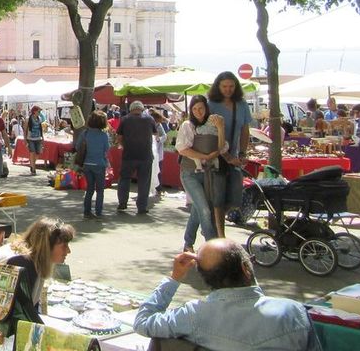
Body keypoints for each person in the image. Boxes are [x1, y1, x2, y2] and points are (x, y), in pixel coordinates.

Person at [134, 238, 321, 351]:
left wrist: (175, 278)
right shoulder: (294, 312)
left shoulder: (193, 315)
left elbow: (143, 322)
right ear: (246, 269)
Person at [176, 96, 227, 249]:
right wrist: (204, 156)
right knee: (204, 209)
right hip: (190, 172)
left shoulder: (210, 125)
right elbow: (182, 149)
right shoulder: (187, 125)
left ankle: (188, 243)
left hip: (208, 173)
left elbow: (222, 147)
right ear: (191, 110)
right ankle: (212, 248)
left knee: (199, 210)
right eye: (195, 109)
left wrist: (220, 128)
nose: (198, 112)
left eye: (201, 108)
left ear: (206, 109)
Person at [206, 72, 254, 236]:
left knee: (234, 198)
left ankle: (211, 222)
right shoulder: (211, 104)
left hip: (234, 156)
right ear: (218, 86)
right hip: (215, 157)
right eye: (224, 86)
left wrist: (242, 152)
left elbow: (245, 130)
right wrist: (227, 156)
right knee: (218, 199)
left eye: (231, 86)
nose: (228, 89)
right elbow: (208, 133)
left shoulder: (241, 104)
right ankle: (220, 234)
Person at [5, 218, 75, 324]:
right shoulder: (24, 262)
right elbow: (22, 311)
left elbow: (32, 307)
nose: (68, 251)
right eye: (64, 246)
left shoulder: (36, 262)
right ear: (47, 245)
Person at [116, 101, 158, 215]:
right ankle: (142, 207)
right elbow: (155, 134)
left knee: (124, 179)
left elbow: (119, 137)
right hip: (146, 155)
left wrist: (125, 145)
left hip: (129, 154)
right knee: (144, 182)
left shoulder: (124, 119)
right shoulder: (149, 119)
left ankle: (122, 203)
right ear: (142, 108)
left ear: (131, 109)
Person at [76, 111, 111, 219]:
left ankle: (87, 212)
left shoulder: (85, 133)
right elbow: (107, 149)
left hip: (86, 164)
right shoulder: (104, 135)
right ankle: (98, 212)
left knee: (89, 189)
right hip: (99, 164)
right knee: (100, 190)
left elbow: (78, 146)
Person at [25, 106, 45, 175]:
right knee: (32, 152)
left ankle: (32, 164)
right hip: (30, 139)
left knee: (38, 153)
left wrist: (43, 138)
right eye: (38, 111)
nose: (39, 113)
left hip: (38, 138)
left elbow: (40, 129)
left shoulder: (39, 118)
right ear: (34, 111)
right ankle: (33, 169)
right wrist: (25, 139)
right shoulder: (28, 119)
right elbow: (25, 130)